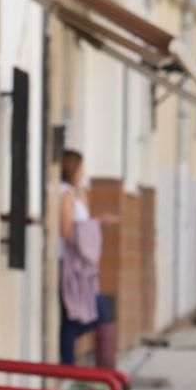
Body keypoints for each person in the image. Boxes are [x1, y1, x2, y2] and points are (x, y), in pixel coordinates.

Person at [57, 149, 120, 370]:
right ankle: (67, 365)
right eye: (81, 167)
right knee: (88, 314)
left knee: (84, 315)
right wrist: (97, 223)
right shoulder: (64, 194)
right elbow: (67, 231)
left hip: (80, 264)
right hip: (70, 263)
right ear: (73, 168)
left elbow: (81, 221)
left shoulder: (74, 193)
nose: (84, 171)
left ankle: (68, 364)